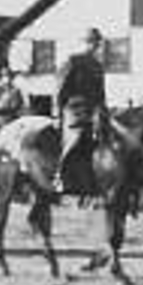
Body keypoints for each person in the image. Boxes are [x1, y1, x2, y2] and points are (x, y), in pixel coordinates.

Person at [53, 27, 106, 193]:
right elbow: (59, 89)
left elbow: (101, 93)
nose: (94, 46)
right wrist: (57, 114)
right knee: (75, 138)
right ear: (84, 43)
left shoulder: (97, 66)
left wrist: (103, 111)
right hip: (73, 109)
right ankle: (59, 175)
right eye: (91, 42)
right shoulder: (73, 61)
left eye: (96, 43)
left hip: (93, 110)